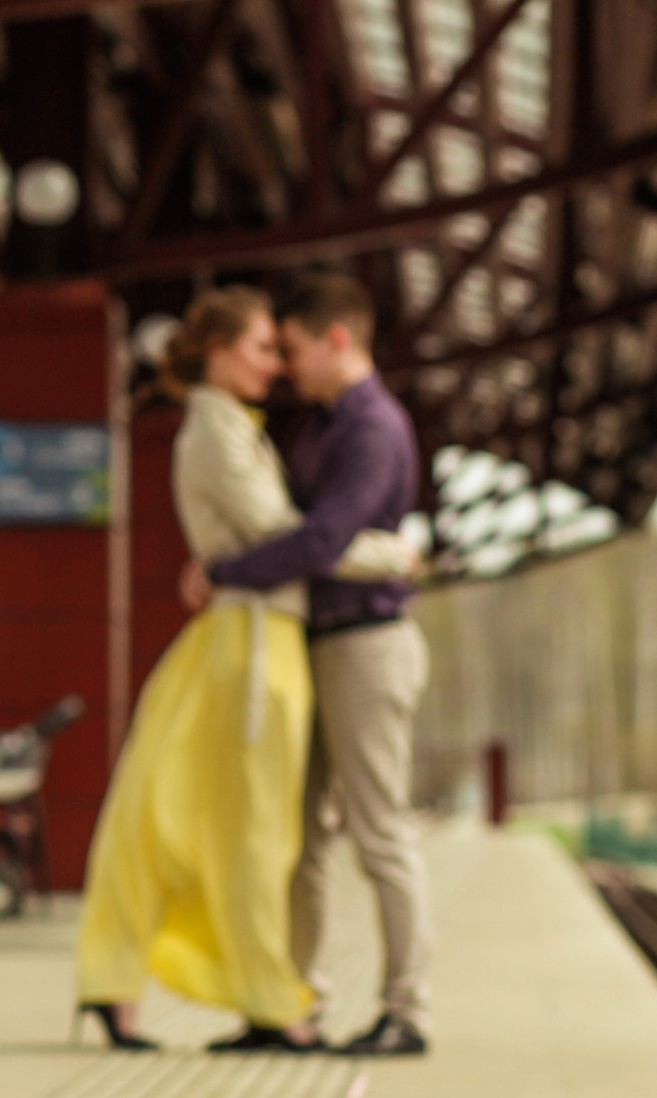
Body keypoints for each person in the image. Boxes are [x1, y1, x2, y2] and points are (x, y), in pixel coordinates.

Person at [75, 287, 412, 1051]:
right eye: (264, 348)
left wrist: (224, 566)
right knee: (252, 835)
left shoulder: (232, 425)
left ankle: (124, 984)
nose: (276, 366)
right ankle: (270, 1003)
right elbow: (290, 534)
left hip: (257, 634)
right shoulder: (219, 429)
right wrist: (391, 552)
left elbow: (275, 539)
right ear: (219, 352)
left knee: (179, 817)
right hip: (257, 643)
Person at [194, 273, 431, 1058]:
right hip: (321, 644)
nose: (285, 367)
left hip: (367, 644)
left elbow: (320, 539)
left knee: (377, 830)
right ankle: (292, 1004)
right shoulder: (323, 424)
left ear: (336, 339)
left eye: (290, 349)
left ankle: (406, 1009)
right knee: (301, 837)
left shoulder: (369, 427)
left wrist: (223, 570)